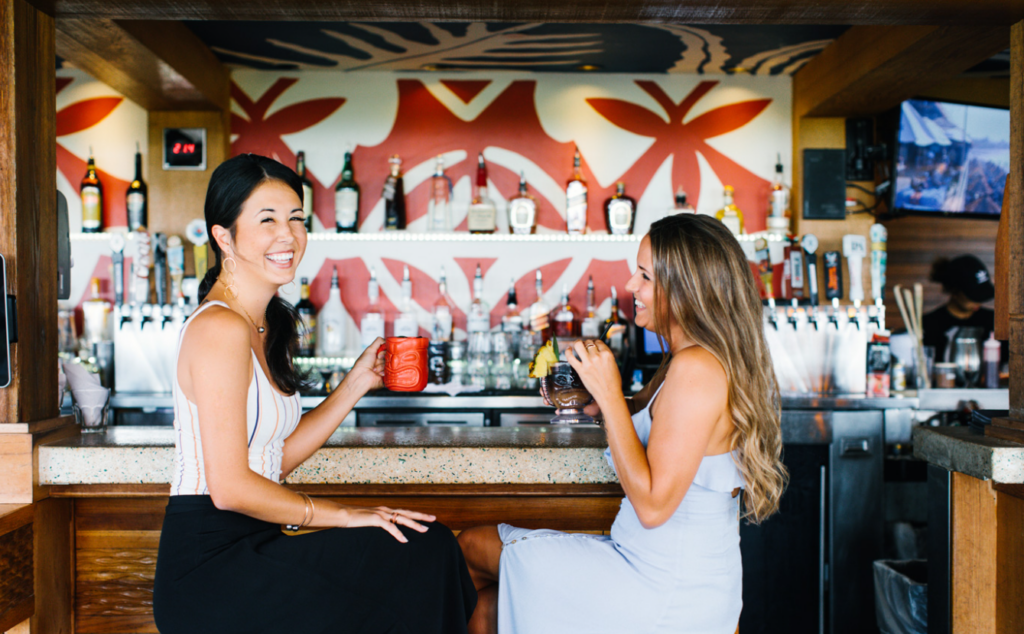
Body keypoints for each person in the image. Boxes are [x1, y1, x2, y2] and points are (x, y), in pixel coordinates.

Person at [153, 154, 476, 634]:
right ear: (224, 236)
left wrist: (355, 385)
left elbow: (270, 463)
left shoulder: (261, 323)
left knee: (424, 546)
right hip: (211, 565)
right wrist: (343, 516)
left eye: (296, 219)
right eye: (267, 221)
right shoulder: (219, 326)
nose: (288, 235)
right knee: (421, 551)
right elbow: (229, 488)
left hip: (253, 543)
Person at [458, 214, 788, 634]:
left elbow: (652, 506)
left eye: (645, 276)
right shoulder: (687, 361)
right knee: (489, 606)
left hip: (664, 589)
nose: (631, 286)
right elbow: (655, 432)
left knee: (471, 547)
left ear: (685, 288)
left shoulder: (697, 369)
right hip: (655, 569)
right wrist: (604, 402)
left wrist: (612, 396)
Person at [921, 255, 996, 362]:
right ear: (954, 291)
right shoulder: (929, 324)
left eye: (983, 295)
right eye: (973, 295)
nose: (978, 301)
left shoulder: (993, 321)